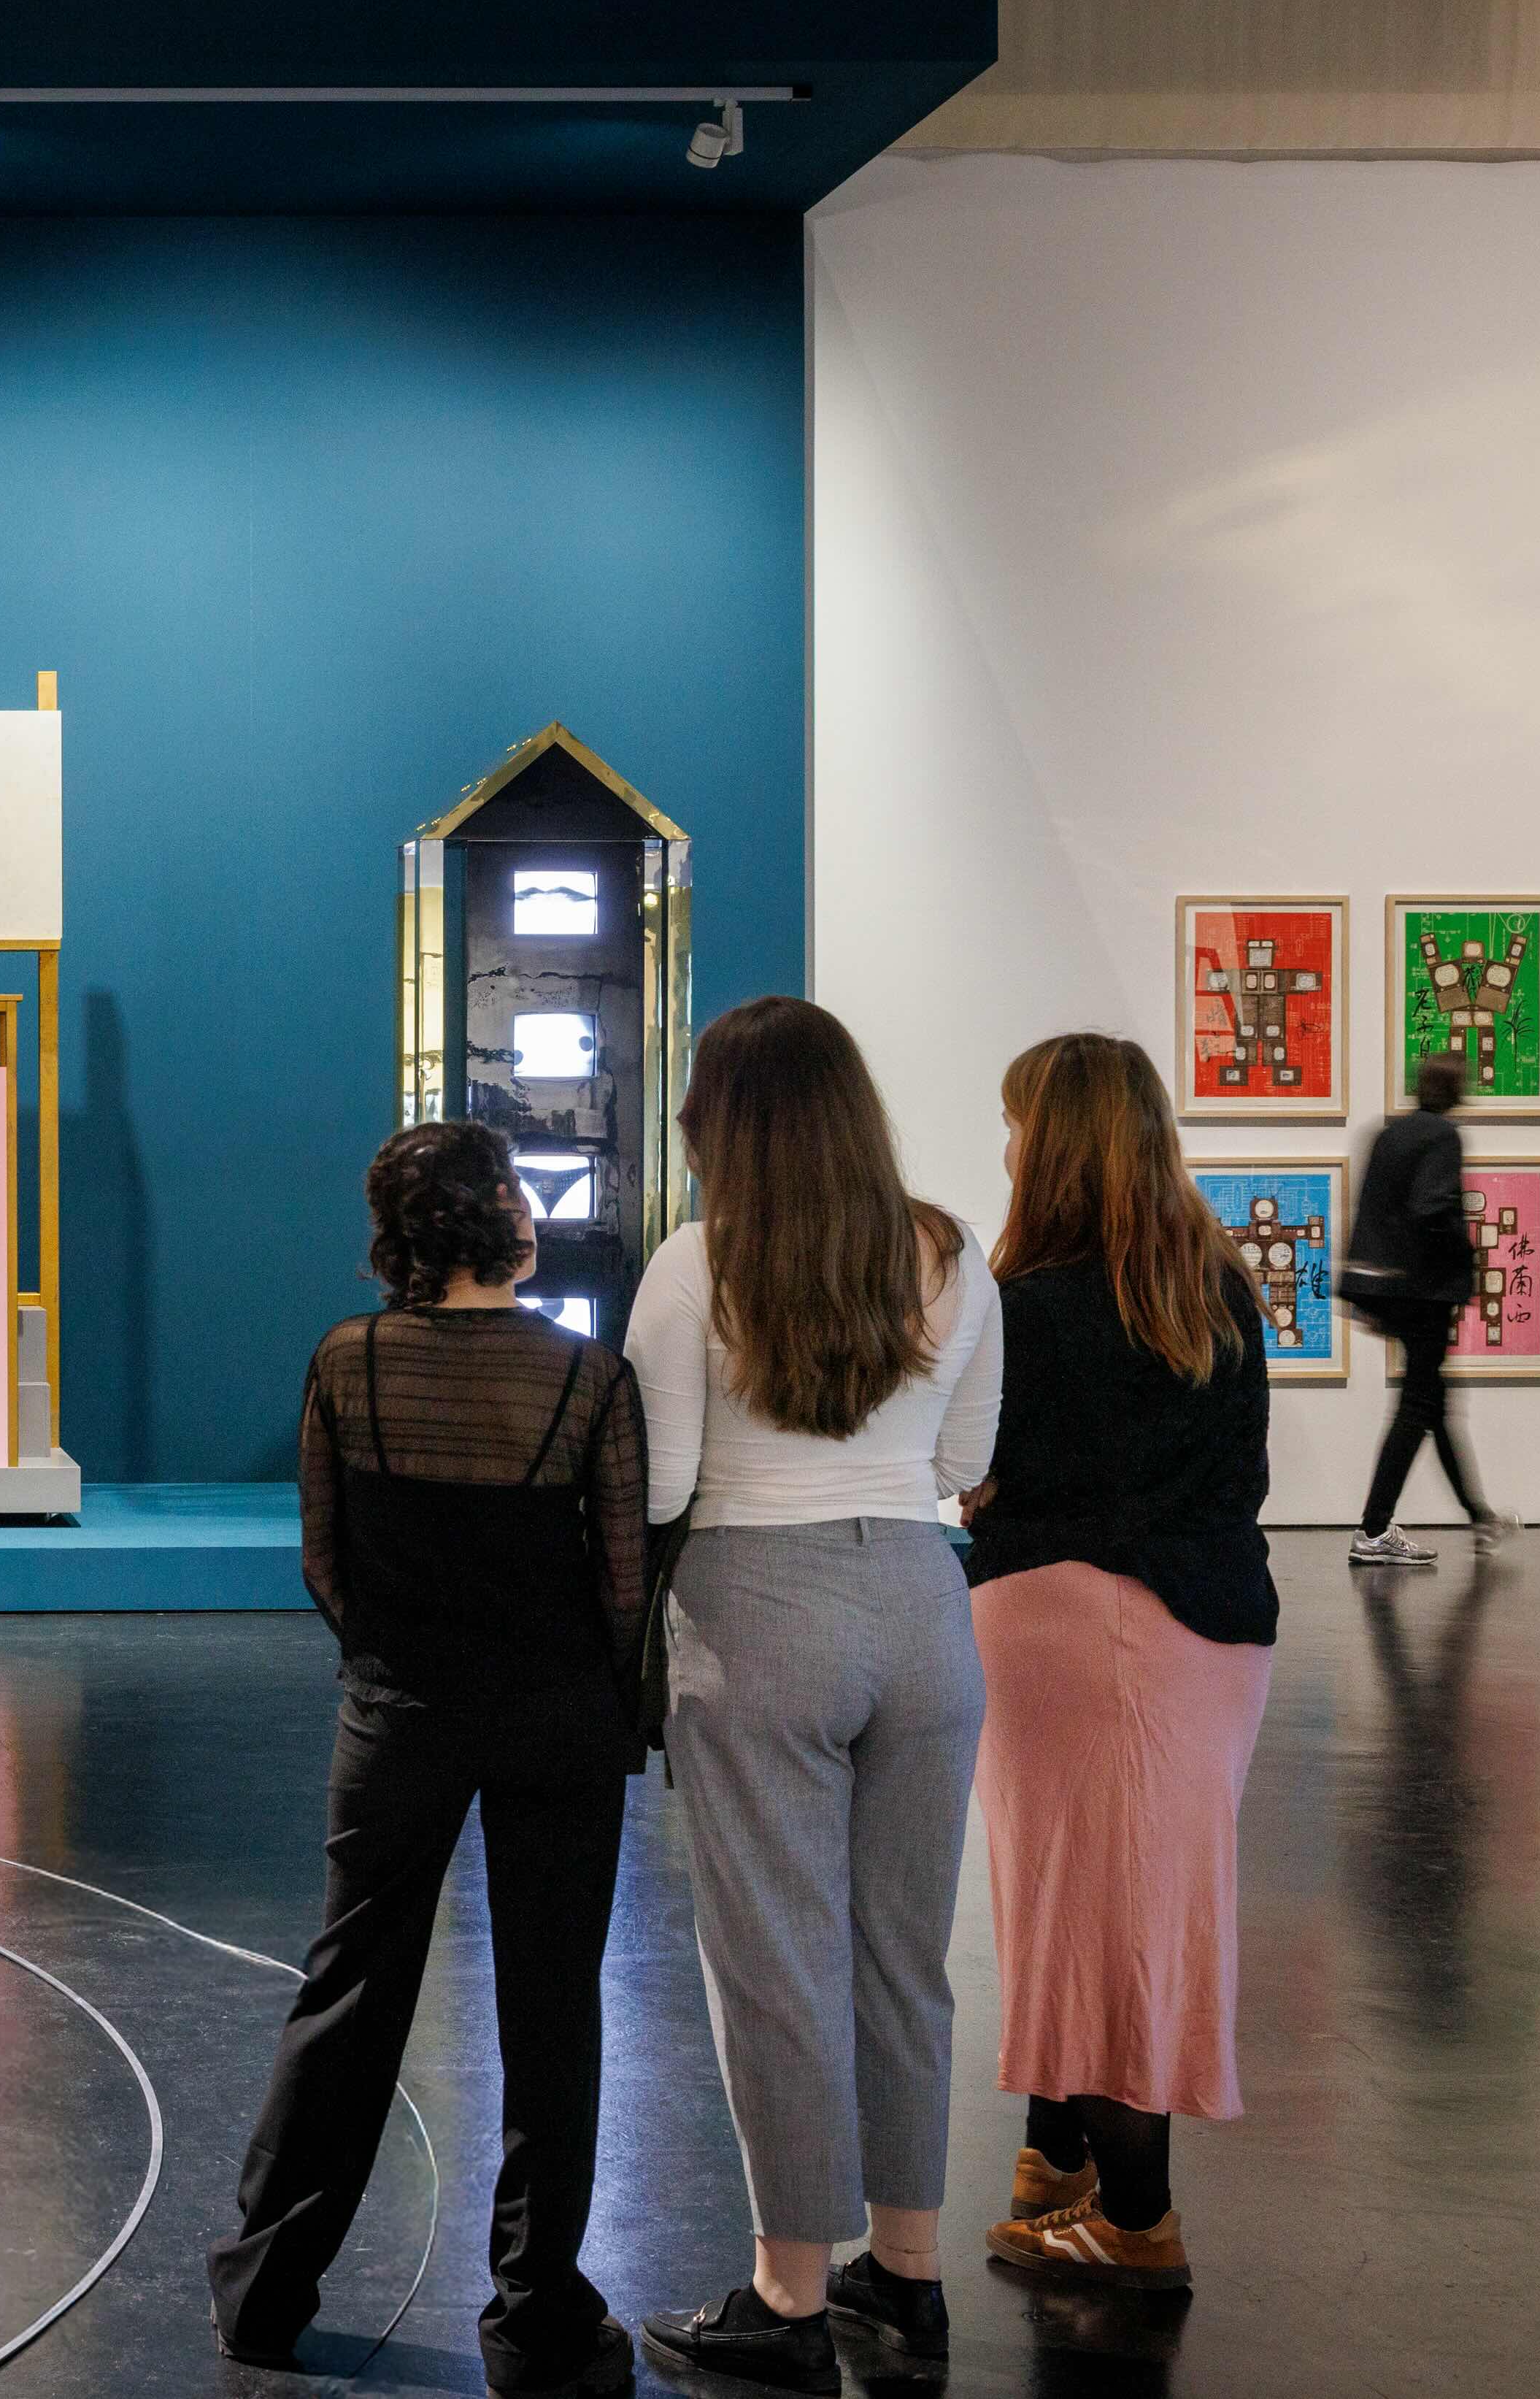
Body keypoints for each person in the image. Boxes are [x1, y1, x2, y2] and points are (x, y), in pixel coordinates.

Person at [211, 1121, 650, 2398]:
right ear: (495, 1218)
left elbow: (324, 1559)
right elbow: (624, 1587)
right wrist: (600, 1700)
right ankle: (537, 2320)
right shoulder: (588, 1380)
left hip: (399, 1713)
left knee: (350, 1988)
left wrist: (391, 1662)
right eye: (516, 1187)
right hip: (557, 1716)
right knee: (554, 2008)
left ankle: (265, 2293)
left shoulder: (346, 1362)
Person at [625, 998, 1000, 2396]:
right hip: (921, 1603)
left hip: (758, 1612)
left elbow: (663, 1483)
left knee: (777, 1964)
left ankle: (789, 2294)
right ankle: (907, 2275)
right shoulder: (950, 1251)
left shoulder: (697, 1263)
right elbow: (965, 1461)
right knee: (907, 1956)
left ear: (721, 1124)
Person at [966, 1034, 1277, 2292]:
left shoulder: (1026, 1308)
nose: (1004, 1146)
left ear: (1053, 1145)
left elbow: (976, 1472)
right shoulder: (1218, 1289)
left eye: (1015, 1123)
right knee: (1111, 1909)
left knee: (1086, 1920)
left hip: (1071, 1631)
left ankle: (1138, 2222)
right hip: (1214, 1634)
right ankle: (1056, 2158)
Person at [1339, 1051, 1512, 1564]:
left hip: (1385, 1287)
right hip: (1424, 1290)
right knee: (1418, 1407)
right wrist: (1467, 1257)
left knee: (1432, 1401)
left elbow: (1370, 1211)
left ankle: (1480, 1517)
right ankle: (1373, 1530)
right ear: (1457, 1091)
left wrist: (1368, 1291)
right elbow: (1432, 1207)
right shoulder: (1443, 1136)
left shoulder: (1390, 1133)